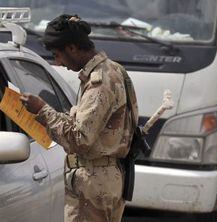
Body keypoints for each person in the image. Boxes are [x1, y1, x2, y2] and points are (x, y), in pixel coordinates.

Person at [20, 14, 138, 222]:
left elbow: (81, 140)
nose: (58, 62)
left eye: (58, 55)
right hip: (102, 179)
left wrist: (43, 110)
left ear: (73, 48)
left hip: (95, 183)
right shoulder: (111, 70)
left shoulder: (100, 83)